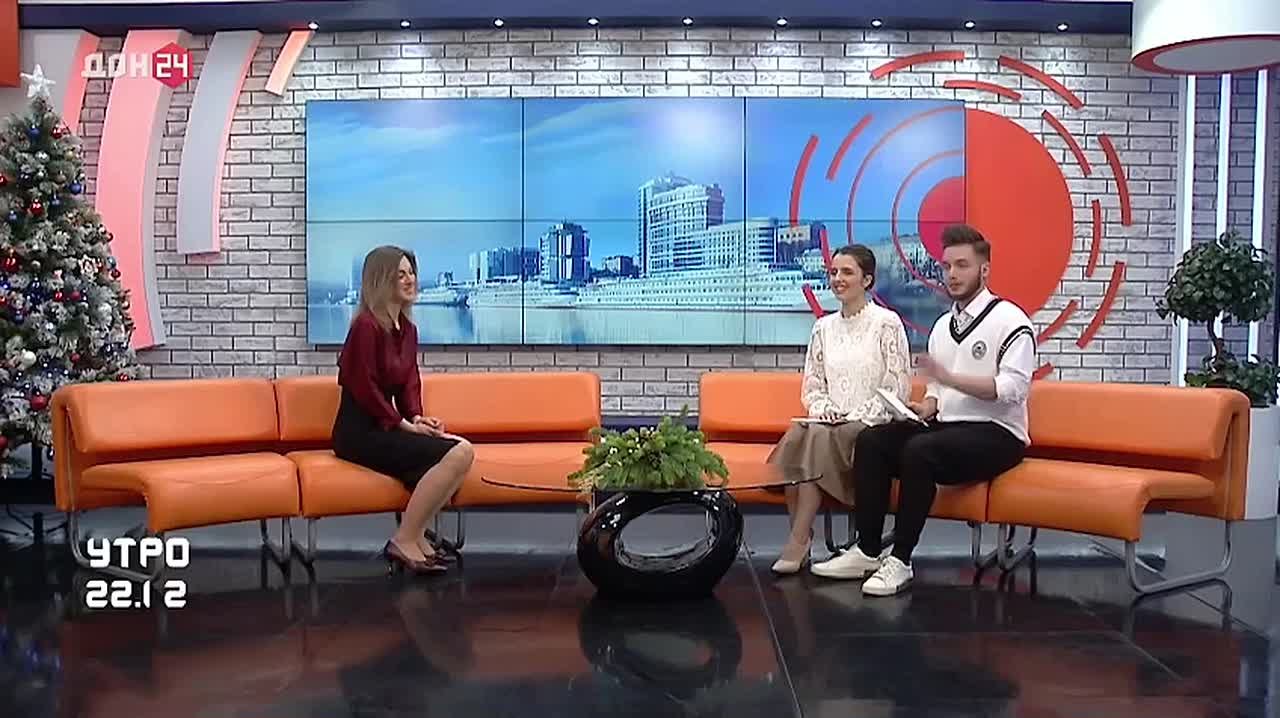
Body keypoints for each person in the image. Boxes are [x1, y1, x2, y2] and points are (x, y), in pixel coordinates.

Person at [810, 224, 1035, 596]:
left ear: (984, 270)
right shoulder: (944, 326)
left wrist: (952, 379)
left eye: (962, 265)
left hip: (998, 433)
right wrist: (924, 407)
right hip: (948, 428)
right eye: (947, 266)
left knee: (920, 450)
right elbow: (938, 391)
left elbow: (1013, 390)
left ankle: (900, 560)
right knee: (873, 440)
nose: (952, 274)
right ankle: (867, 550)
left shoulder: (1011, 321)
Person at [766, 244, 911, 574]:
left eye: (847, 272)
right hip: (830, 422)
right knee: (800, 433)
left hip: (871, 425)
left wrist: (853, 416)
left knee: (814, 438)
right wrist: (826, 409)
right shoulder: (823, 327)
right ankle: (801, 536)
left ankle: (798, 540)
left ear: (867, 280)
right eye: (833, 272)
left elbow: (897, 386)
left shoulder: (886, 323)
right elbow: (813, 384)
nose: (837, 279)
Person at [332, 245, 476, 575]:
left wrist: (417, 417)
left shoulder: (407, 330)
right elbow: (364, 388)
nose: (410, 279)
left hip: (388, 426)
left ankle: (417, 536)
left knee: (461, 450)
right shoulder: (365, 326)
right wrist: (403, 425)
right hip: (359, 433)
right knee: (457, 452)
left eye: (411, 272)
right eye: (400, 274)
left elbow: (410, 381)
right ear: (381, 280)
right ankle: (404, 538)